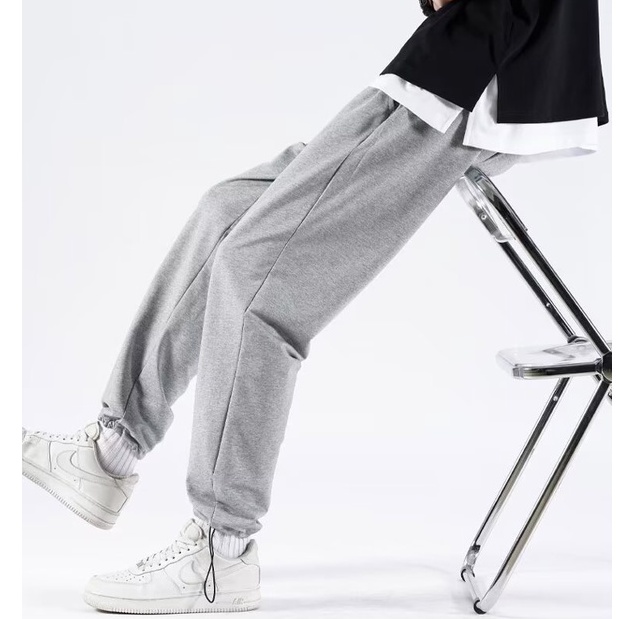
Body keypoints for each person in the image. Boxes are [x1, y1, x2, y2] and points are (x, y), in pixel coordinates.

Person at [22, 0, 608, 613]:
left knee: (257, 277)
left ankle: (221, 552)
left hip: (477, 74)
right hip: (455, 66)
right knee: (226, 212)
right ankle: (110, 450)